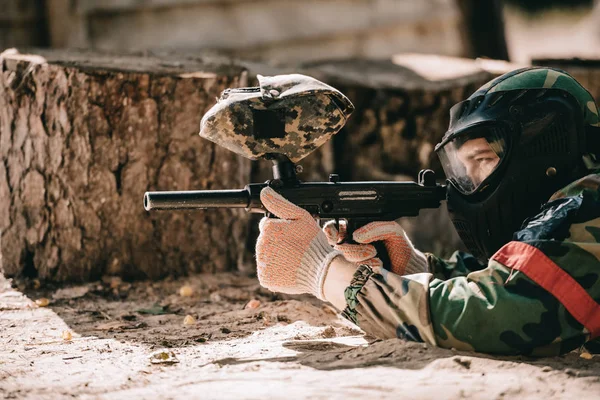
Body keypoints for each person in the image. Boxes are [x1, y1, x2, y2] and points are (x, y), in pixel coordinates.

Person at [255, 67, 600, 356]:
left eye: (483, 160)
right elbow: (517, 278)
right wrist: (418, 268)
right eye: (464, 167)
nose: (470, 182)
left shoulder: (590, 205)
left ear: (545, 147)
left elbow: (499, 314)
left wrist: (323, 272)